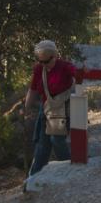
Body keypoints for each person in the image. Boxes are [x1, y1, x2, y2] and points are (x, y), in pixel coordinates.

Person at [24, 40, 75, 175]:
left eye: (46, 61)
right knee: (42, 143)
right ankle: (34, 176)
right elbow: (33, 89)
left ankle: (70, 169)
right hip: (46, 108)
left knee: (57, 140)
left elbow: (79, 75)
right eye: (40, 61)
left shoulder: (65, 66)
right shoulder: (39, 69)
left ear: (55, 56)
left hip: (63, 107)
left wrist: (84, 71)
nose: (43, 64)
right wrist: (26, 108)